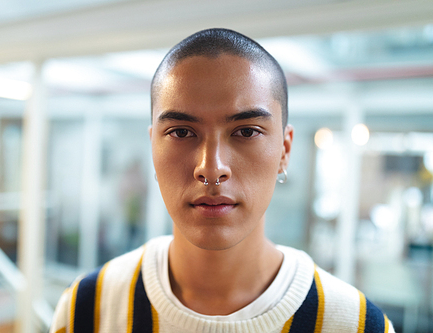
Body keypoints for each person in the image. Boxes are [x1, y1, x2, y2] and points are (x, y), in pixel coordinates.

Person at [50, 28, 394, 333]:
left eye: (246, 131)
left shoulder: (356, 323)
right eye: (182, 132)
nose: (211, 169)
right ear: (153, 146)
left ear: (284, 150)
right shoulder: (88, 309)